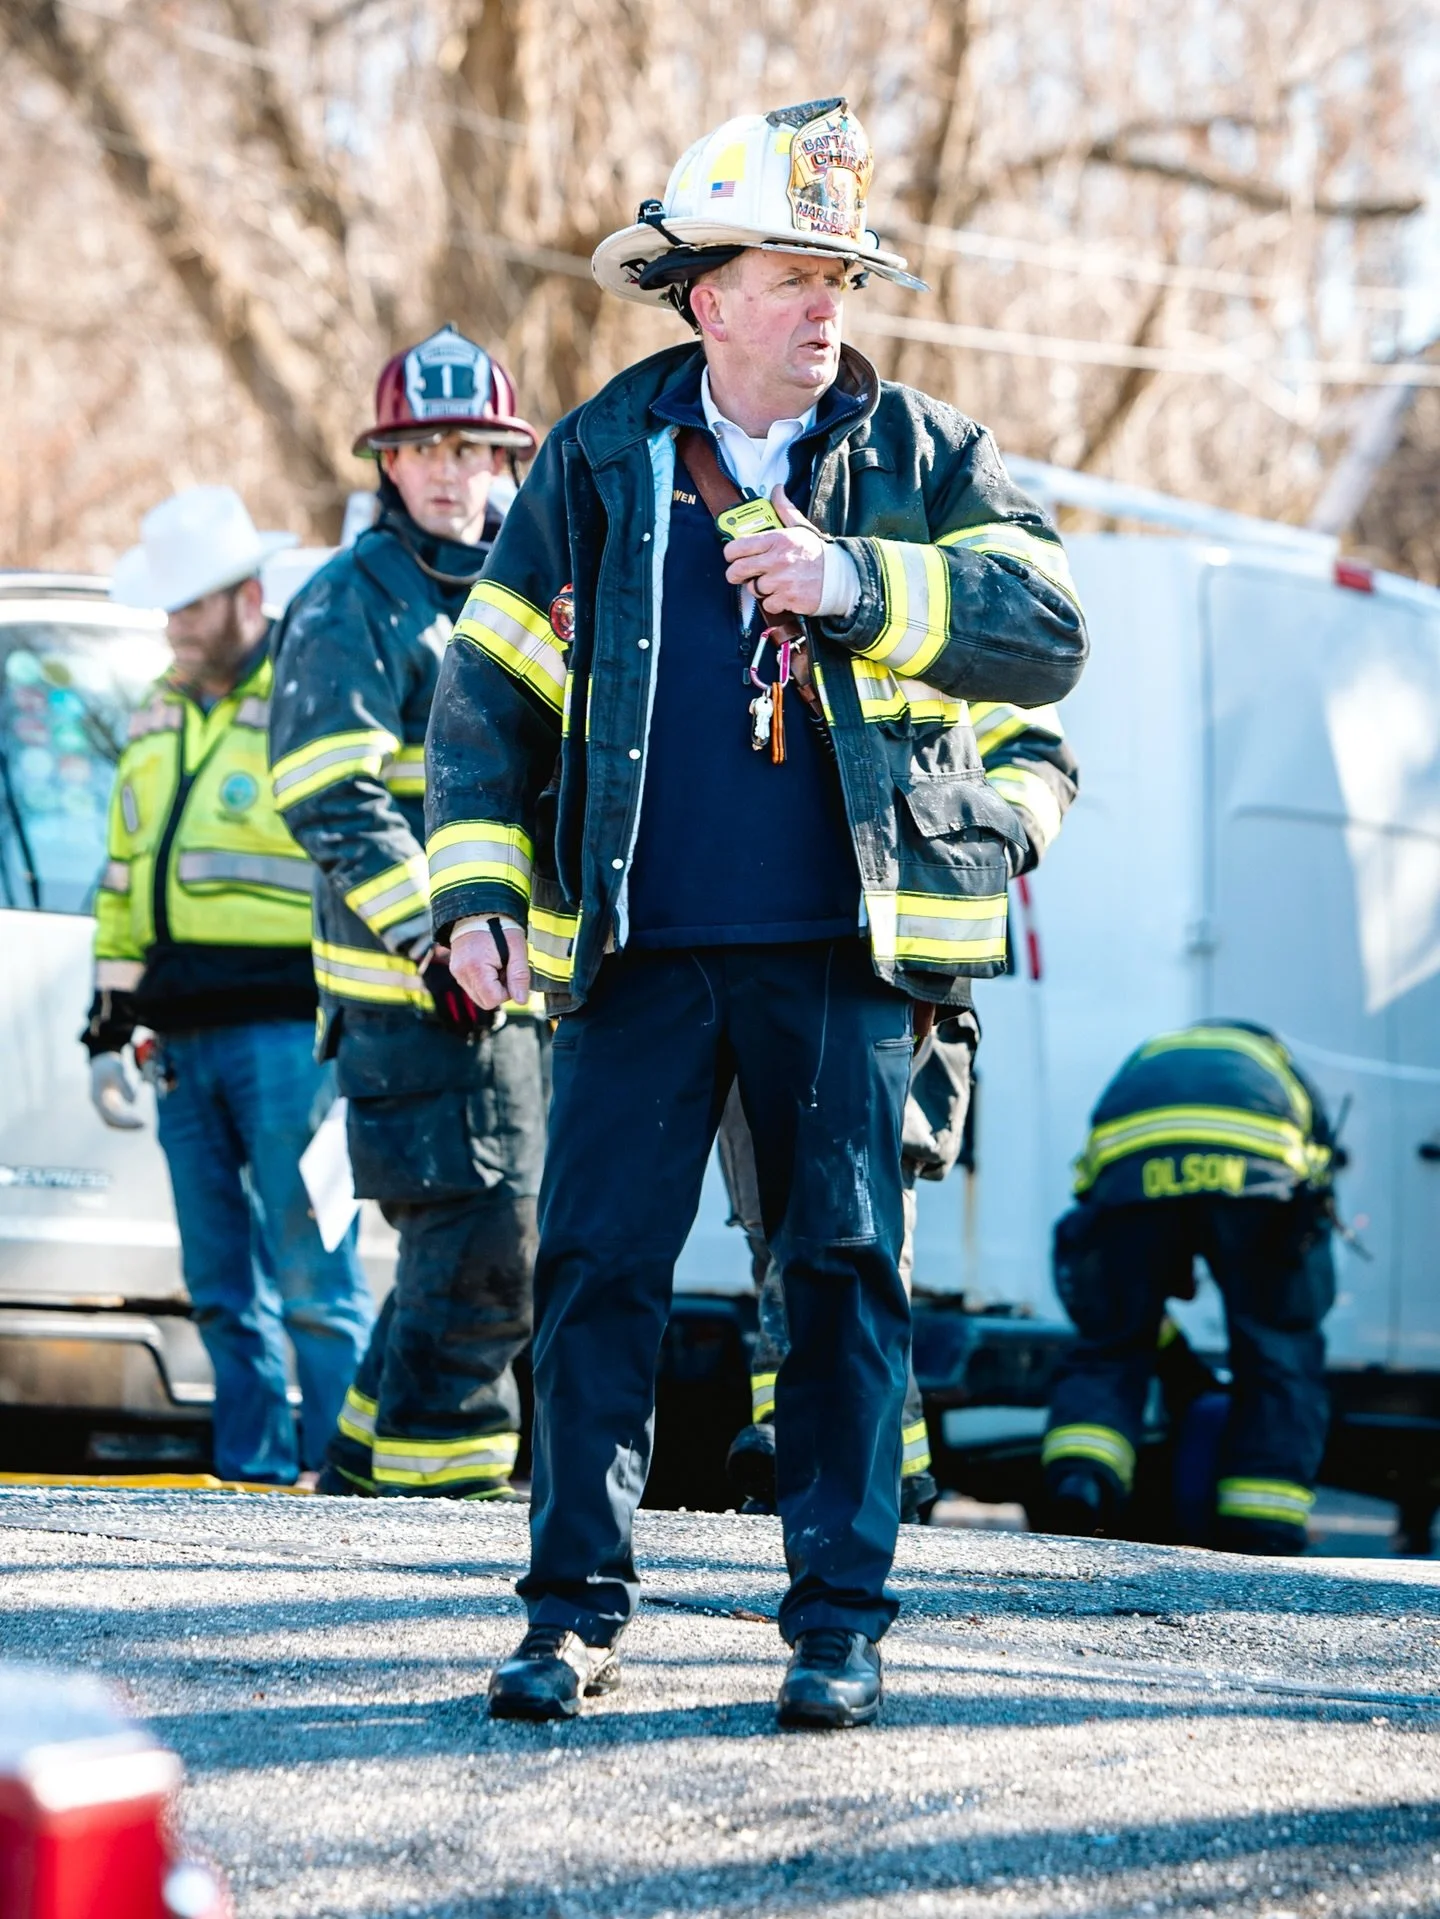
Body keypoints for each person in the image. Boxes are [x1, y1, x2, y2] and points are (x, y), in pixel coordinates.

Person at [428, 98, 1088, 1727]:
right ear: (705, 292)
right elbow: (488, 702)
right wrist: (474, 893)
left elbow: (1051, 628)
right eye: (794, 271)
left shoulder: (928, 455)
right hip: (637, 958)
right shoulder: (594, 454)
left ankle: (836, 1624)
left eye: (840, 275)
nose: (825, 304)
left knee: (847, 1276)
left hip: (848, 961)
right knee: (594, 1274)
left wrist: (859, 584)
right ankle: (571, 1613)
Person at [268, 326, 548, 1501]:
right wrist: (433, 940)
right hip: (416, 999)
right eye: (423, 446)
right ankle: (450, 1509)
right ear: (387, 462)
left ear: (504, 460)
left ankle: (350, 1482)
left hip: (517, 994)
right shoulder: (350, 602)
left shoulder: (525, 588)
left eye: (471, 447)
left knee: (464, 1252)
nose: (447, 469)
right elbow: (327, 791)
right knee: (490, 1254)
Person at [722, 695, 1077, 1524]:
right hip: (765, 956)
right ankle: (873, 1460)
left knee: (861, 1222)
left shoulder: (935, 595)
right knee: (776, 1222)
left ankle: (826, 1446)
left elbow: (1037, 755)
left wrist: (977, 848)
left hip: (901, 969)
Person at [87, 485, 373, 1484]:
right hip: (182, 1042)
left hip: (290, 1034)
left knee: (313, 1277)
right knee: (218, 1281)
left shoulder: (306, 693)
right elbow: (125, 875)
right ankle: (251, 1475)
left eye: (189, 606)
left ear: (247, 597)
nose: (173, 626)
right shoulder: (157, 711)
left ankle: (343, 1481)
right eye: (166, 608)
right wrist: (108, 1016)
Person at [1041, 1019, 1338, 1555]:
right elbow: (1315, 1179)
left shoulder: (1150, 1058)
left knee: (1112, 1346)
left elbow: (1090, 1189)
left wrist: (1137, 1282)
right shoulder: (1276, 1066)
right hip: (1257, 1179)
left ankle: (1082, 1481)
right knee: (1279, 1349)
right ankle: (1262, 1523)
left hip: (1133, 1173)